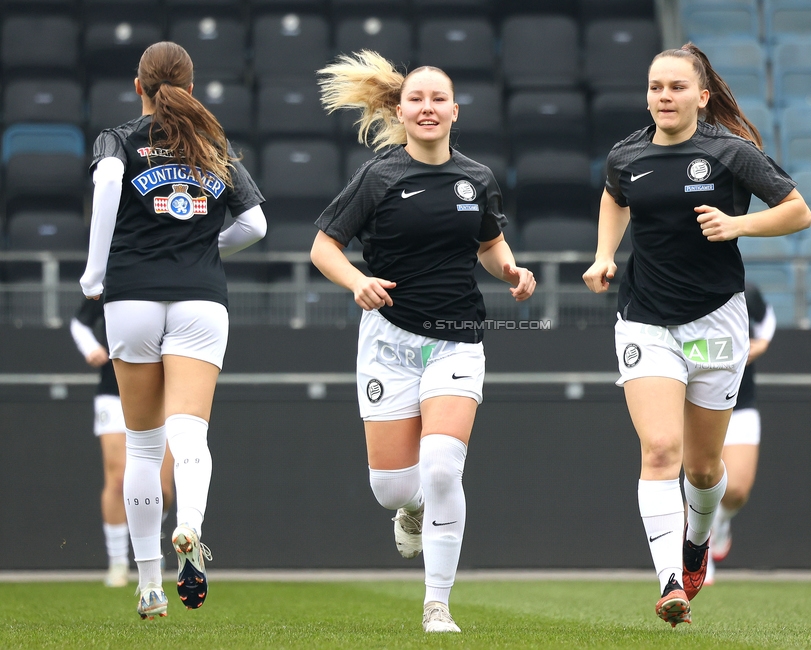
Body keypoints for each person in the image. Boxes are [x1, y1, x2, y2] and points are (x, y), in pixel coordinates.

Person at [582, 43, 811, 627]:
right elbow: (614, 199)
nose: (664, 96)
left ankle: (698, 542)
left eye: (677, 87)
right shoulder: (626, 155)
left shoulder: (731, 152)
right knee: (661, 449)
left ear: (701, 96)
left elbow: (796, 211)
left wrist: (739, 224)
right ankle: (669, 581)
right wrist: (605, 255)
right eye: (656, 86)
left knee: (704, 470)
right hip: (645, 318)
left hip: (716, 320)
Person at [310, 50, 536, 634]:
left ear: (455, 111)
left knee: (440, 469)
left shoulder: (477, 179)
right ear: (401, 109)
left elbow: (489, 246)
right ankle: (409, 513)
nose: (428, 108)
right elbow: (323, 247)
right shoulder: (378, 176)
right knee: (392, 489)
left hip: (458, 339)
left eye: (439, 99)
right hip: (387, 339)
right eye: (417, 99)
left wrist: (511, 271)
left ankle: (437, 603)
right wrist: (357, 281)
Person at [79, 41, 266, 620]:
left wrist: (95, 270)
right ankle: (189, 527)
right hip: (201, 300)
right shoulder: (213, 143)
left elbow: (109, 185)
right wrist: (207, 243)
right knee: (189, 433)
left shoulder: (117, 138)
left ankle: (149, 585)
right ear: (191, 84)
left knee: (142, 444)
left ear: (139, 86)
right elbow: (256, 223)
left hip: (131, 296)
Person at [70, 297, 176, 588]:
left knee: (163, 486)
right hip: (113, 393)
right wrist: (91, 348)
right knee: (117, 479)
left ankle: (154, 537)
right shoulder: (112, 278)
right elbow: (79, 323)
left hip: (161, 393)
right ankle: (118, 563)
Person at [704, 282, 776, 584]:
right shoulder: (681, 287)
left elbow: (767, 318)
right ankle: (697, 557)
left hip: (740, 403)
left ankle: (719, 524)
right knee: (700, 480)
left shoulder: (748, 290)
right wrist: (734, 348)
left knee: (736, 491)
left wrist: (761, 343)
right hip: (697, 399)